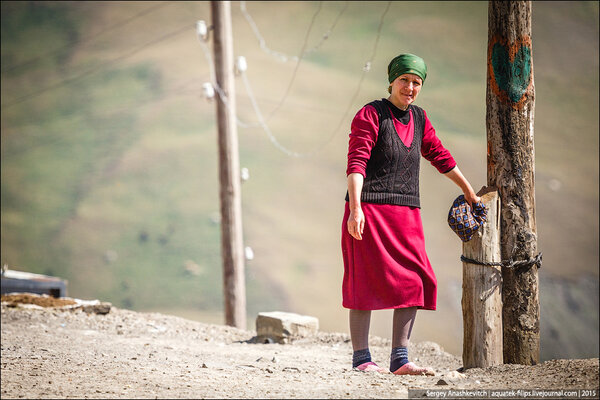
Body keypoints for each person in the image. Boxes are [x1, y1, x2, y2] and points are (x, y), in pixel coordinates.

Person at [341, 53, 481, 375]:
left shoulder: (419, 118)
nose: (410, 87)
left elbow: (439, 155)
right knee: (363, 280)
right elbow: (356, 164)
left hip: (406, 214)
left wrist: (469, 190)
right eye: (404, 80)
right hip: (369, 211)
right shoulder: (371, 114)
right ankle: (362, 360)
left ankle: (400, 360)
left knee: (416, 279)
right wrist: (356, 209)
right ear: (391, 80)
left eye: (417, 82)